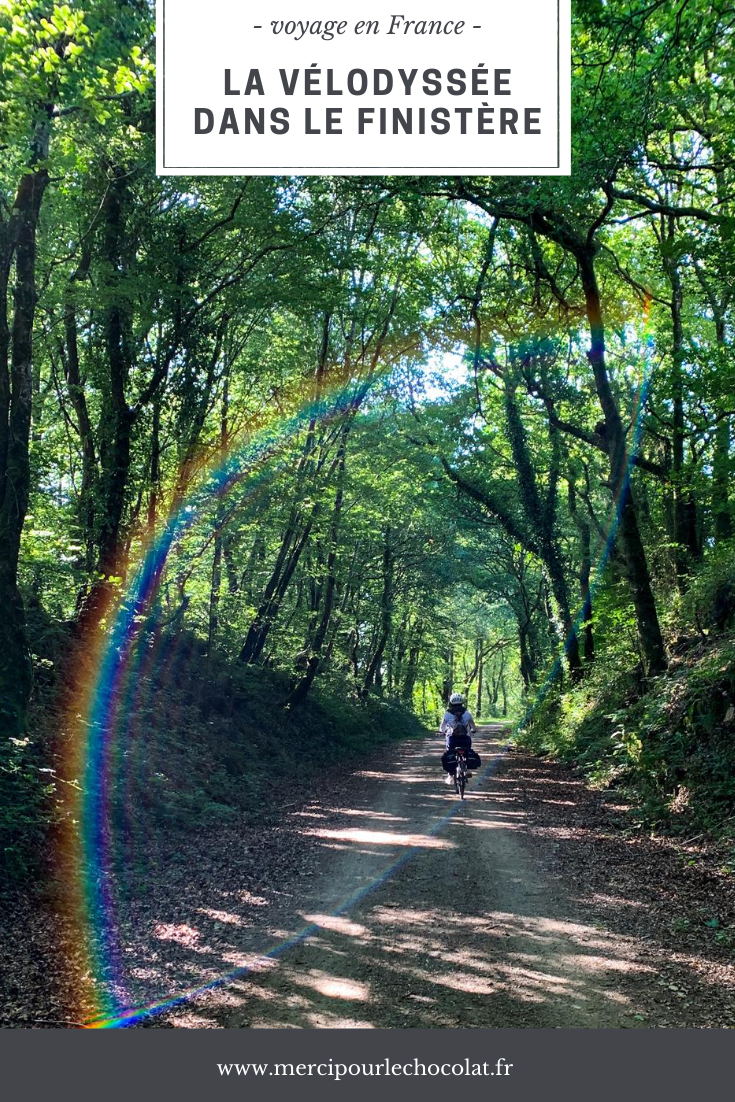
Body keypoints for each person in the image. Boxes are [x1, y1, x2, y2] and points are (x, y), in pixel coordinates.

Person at [439, 692, 478, 786]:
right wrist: (473, 730)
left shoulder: (447, 714)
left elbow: (442, 727)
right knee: (467, 751)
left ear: (451, 703)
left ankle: (450, 775)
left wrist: (442, 732)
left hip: (452, 739)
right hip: (465, 739)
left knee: (450, 753)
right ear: (462, 702)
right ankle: (467, 769)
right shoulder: (467, 714)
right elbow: (473, 725)